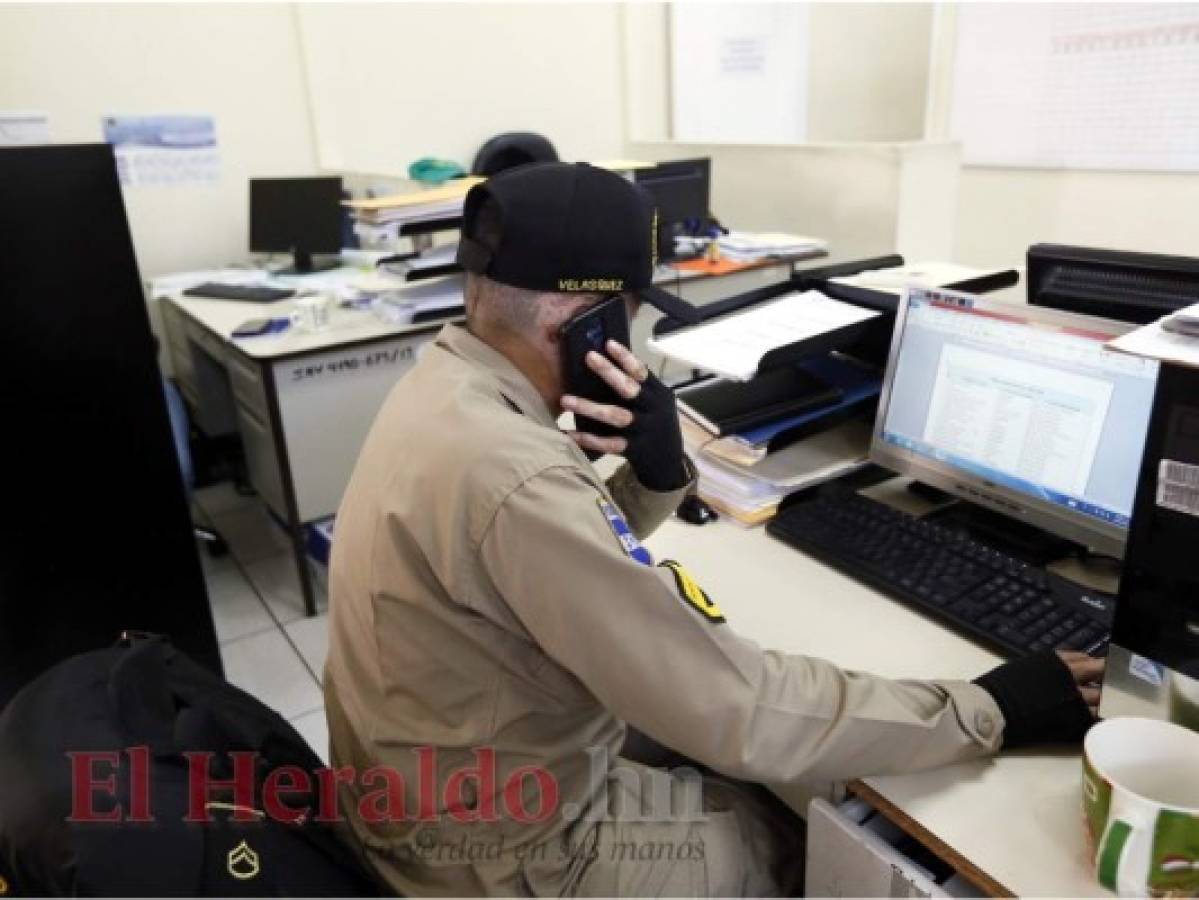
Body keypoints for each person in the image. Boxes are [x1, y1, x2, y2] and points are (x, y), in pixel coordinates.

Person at [324, 162, 1104, 897]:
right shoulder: (515, 471)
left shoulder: (442, 389)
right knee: (794, 823)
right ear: (583, 322)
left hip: (430, 792)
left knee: (718, 761)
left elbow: (524, 575)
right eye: (626, 313)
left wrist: (658, 476)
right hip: (514, 858)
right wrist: (987, 707)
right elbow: (740, 710)